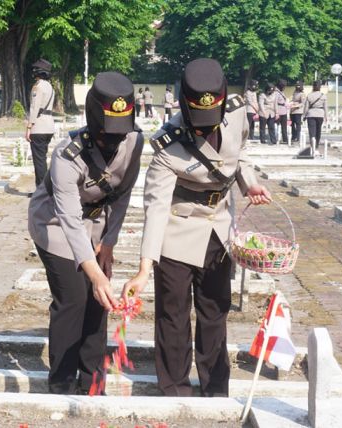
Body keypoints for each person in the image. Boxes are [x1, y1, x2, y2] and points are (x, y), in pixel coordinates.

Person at [122, 58, 271, 398]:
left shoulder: (235, 112)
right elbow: (156, 207)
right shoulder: (166, 143)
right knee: (173, 317)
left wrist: (249, 183)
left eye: (210, 122)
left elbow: (241, 152)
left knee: (215, 312)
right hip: (177, 234)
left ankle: (215, 388)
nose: (205, 129)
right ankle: (174, 387)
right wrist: (146, 267)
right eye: (198, 124)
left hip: (218, 229)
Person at [28, 72, 144, 395]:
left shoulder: (134, 141)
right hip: (53, 223)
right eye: (108, 136)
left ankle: (93, 382)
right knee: (74, 297)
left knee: (98, 303)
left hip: (96, 224)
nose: (114, 143)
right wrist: (95, 274)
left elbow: (122, 194)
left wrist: (108, 243)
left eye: (120, 135)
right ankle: (62, 383)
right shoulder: (66, 156)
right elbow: (69, 219)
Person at [26, 59, 55, 187]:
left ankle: (41, 190)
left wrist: (28, 127)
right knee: (42, 159)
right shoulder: (50, 87)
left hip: (39, 127)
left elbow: (34, 107)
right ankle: (44, 188)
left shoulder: (38, 86)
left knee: (39, 161)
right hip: (49, 126)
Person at [303, 80, 327, 147]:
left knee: (312, 130)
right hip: (320, 114)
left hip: (311, 114)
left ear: (313, 87)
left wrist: (304, 115)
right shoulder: (323, 96)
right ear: (320, 87)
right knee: (318, 130)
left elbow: (306, 107)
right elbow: (325, 107)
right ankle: (316, 144)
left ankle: (312, 144)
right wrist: (326, 116)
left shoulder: (309, 95)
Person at [274, 79, 289, 144]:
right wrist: (276, 112)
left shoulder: (281, 92)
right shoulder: (276, 92)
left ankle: (285, 139)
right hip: (279, 111)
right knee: (276, 127)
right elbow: (275, 103)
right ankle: (276, 138)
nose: (284, 87)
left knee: (284, 127)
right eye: (284, 86)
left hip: (283, 111)